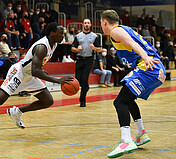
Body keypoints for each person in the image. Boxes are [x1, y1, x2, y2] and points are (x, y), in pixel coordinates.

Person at [0, 22, 73, 141]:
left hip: (29, 75)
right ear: (52, 33)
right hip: (19, 73)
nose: (63, 35)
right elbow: (36, 71)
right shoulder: (42, 46)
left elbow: (37, 67)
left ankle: (17, 111)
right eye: (61, 33)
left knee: (47, 101)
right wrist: (58, 80)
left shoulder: (54, 44)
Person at [100, 10, 166, 158]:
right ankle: (141, 134)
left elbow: (131, 43)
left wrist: (145, 57)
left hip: (148, 66)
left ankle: (126, 140)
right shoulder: (126, 29)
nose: (102, 26)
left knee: (120, 102)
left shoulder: (115, 31)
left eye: (101, 23)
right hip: (155, 68)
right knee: (128, 100)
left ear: (105, 22)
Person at [71, 19, 101, 107]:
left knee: (84, 79)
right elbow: (72, 48)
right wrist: (76, 49)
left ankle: (82, 100)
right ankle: (86, 87)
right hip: (79, 59)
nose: (86, 24)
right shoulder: (78, 36)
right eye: (85, 23)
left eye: (88, 23)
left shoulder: (95, 36)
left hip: (89, 60)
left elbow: (99, 49)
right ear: (83, 25)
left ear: (90, 25)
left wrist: (94, 48)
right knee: (78, 79)